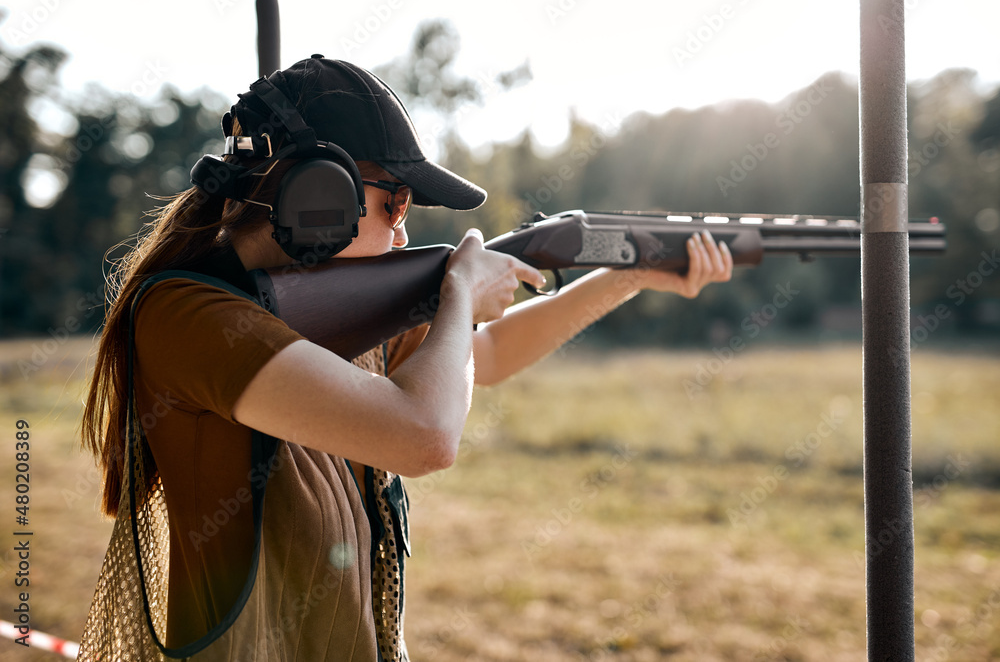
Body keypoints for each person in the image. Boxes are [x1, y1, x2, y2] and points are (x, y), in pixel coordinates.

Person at [78, 56, 732, 661]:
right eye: (393, 202)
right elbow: (423, 435)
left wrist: (628, 275)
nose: (404, 231)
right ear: (318, 192)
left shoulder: (334, 318)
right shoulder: (189, 316)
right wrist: (458, 294)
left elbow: (489, 353)